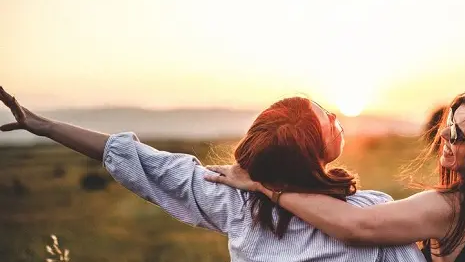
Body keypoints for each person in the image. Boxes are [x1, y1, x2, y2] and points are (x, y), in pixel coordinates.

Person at [204, 0, 465, 262]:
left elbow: (356, 226)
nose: (444, 140)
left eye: (459, 137)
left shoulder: (452, 207)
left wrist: (266, 185)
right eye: (450, 125)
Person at [0, 91, 425, 262]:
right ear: (310, 153)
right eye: (327, 119)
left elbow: (140, 160)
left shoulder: (237, 204)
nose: (337, 117)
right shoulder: (371, 215)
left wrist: (49, 127)